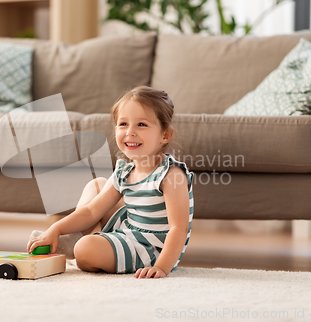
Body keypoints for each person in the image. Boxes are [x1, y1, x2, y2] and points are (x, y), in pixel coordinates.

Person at [27, 86, 194, 279]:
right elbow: (91, 211)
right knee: (96, 185)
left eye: (141, 124)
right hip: (129, 229)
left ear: (165, 135)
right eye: (123, 124)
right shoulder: (125, 171)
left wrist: (162, 267)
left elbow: (178, 229)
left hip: (150, 250)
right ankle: (73, 238)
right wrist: (55, 228)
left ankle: (78, 245)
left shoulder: (171, 174)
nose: (130, 132)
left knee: (85, 249)